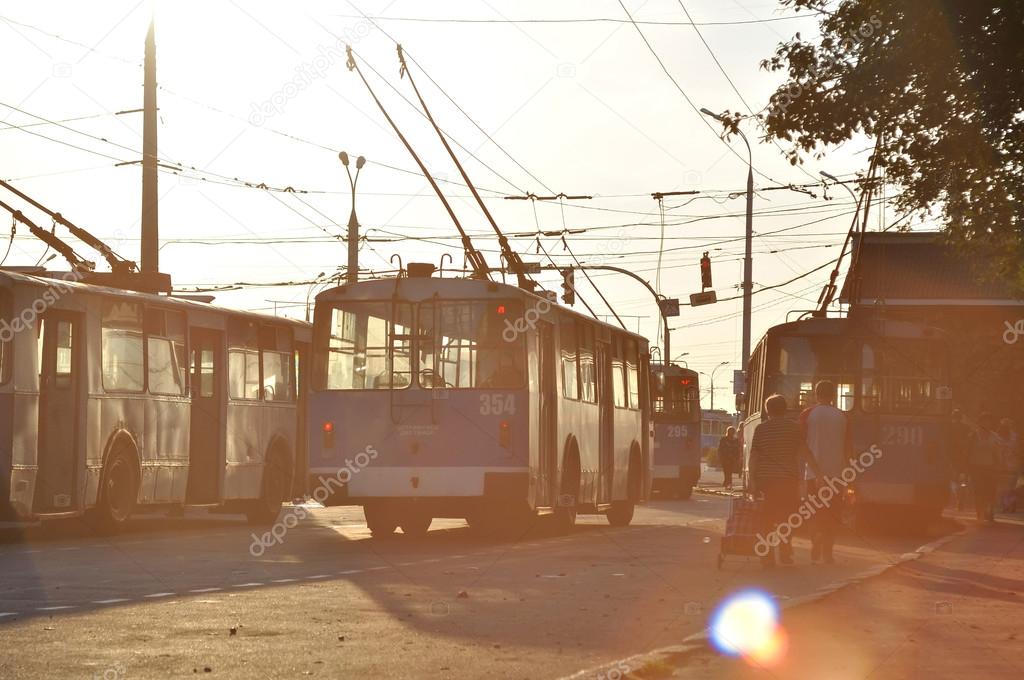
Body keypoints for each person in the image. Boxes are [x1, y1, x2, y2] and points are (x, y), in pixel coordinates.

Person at [749, 394, 822, 567]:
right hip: (788, 480)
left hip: (765, 480)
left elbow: (754, 456)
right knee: (787, 517)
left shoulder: (761, 429)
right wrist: (818, 474)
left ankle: (767, 556)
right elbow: (805, 452)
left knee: (766, 518)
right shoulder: (794, 428)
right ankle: (785, 549)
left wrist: (752, 480)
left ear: (767, 411)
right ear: (785, 409)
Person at [799, 380, 850, 564]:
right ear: (834, 395)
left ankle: (816, 541)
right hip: (837, 473)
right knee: (833, 514)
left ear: (815, 394)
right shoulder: (843, 416)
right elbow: (847, 447)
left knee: (814, 513)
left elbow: (801, 444)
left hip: (814, 474)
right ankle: (828, 553)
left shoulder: (807, 415)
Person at [969, 413, 1003, 523]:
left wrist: (999, 464)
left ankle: (990, 510)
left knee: (990, 490)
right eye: (984, 421)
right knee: (978, 490)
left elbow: (998, 452)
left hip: (990, 467)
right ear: (980, 422)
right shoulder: (974, 435)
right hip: (976, 467)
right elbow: (967, 451)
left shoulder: (994, 436)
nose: (986, 423)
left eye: (988, 421)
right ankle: (979, 511)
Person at [949, 409, 974, 511]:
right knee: (963, 480)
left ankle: (958, 498)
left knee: (955, 480)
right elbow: (970, 443)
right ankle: (960, 498)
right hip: (964, 458)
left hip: (956, 458)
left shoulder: (949, 428)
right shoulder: (966, 428)